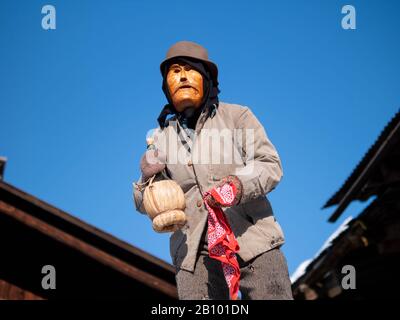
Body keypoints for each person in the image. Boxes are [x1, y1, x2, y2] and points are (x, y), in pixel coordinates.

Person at [133, 41, 293, 300]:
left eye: (189, 69)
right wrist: (147, 180)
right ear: (166, 86)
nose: (182, 76)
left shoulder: (237, 117)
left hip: (253, 239)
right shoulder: (160, 138)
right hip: (194, 254)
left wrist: (236, 186)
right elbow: (144, 205)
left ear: (206, 77)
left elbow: (269, 165)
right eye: (174, 71)